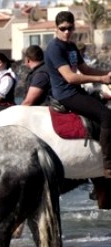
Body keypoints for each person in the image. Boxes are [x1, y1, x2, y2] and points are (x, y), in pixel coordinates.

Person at [45, 11, 111, 179]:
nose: (67, 32)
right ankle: (108, 166)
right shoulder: (55, 48)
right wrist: (101, 79)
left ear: (74, 27)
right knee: (106, 116)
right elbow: (70, 77)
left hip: (76, 91)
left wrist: (107, 75)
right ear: (57, 28)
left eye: (70, 28)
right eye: (63, 28)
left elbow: (85, 69)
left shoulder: (72, 46)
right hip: (66, 94)